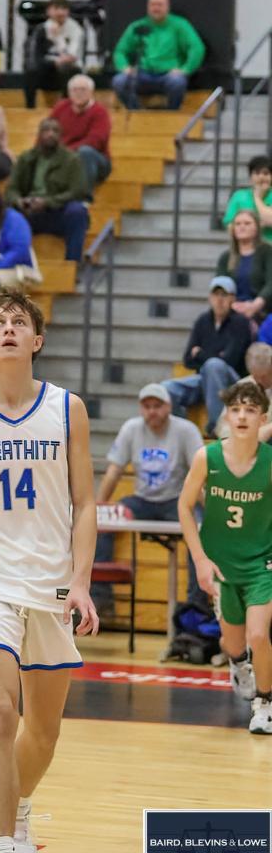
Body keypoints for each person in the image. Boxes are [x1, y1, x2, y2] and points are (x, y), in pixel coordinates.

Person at [0, 288, 97, 853]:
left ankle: (17, 807)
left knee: (43, 732)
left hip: (50, 582)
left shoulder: (67, 408)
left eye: (20, 321)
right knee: (0, 711)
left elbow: (85, 501)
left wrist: (81, 579)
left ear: (37, 340)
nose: (10, 328)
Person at [179, 379, 272, 735]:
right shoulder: (208, 457)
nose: (243, 416)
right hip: (220, 563)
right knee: (233, 642)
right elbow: (185, 506)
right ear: (226, 417)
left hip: (261, 563)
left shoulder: (269, 462)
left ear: (263, 418)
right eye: (236, 410)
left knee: (258, 635)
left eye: (251, 410)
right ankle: (238, 662)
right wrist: (200, 560)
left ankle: (264, 704)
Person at [94, 383, 205, 611]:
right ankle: (100, 598)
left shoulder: (186, 430)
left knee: (200, 531)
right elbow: (114, 471)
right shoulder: (131, 428)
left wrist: (210, 510)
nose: (152, 411)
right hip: (141, 500)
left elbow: (200, 474)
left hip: (176, 500)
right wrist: (100, 507)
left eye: (157, 406)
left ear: (169, 407)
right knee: (101, 521)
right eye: (147, 406)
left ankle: (197, 604)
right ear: (140, 408)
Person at [161, 277, 253, 436]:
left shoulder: (241, 323)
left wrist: (200, 354)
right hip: (203, 378)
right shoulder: (202, 321)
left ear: (232, 298)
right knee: (166, 389)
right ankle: (184, 432)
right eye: (216, 294)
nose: (219, 300)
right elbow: (187, 360)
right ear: (210, 297)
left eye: (224, 295)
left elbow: (229, 361)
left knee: (214, 366)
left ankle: (218, 427)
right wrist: (211, 357)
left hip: (233, 383)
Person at [7, 118, 90, 262]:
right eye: (46, 130)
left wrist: (48, 202)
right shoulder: (26, 158)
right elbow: (11, 189)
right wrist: (19, 201)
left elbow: (78, 191)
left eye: (55, 131)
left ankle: (73, 264)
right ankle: (11, 261)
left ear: (60, 136)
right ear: (39, 134)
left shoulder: (71, 160)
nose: (50, 134)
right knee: (6, 211)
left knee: (78, 211)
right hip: (30, 212)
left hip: (58, 212)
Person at [111, 0, 206, 111]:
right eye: (152, 5)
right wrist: (124, 67)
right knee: (119, 81)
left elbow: (197, 48)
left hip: (168, 76)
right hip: (142, 74)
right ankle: (137, 112)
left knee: (177, 82)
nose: (156, 8)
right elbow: (120, 51)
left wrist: (185, 69)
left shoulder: (180, 25)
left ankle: (172, 115)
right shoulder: (138, 26)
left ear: (167, 7)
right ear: (148, 7)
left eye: (160, 5)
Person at [50, 74, 112, 193]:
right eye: (74, 90)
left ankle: (84, 197)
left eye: (83, 90)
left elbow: (95, 141)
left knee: (85, 152)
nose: (78, 93)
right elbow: (47, 132)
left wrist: (65, 153)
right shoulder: (61, 108)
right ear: (69, 92)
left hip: (96, 160)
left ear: (91, 92)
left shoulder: (100, 112)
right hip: (65, 157)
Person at [23, 0, 85, 109]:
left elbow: (71, 56)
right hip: (48, 68)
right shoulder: (41, 29)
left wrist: (58, 38)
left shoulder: (76, 29)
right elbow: (37, 57)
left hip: (68, 70)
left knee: (67, 69)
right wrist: (53, 62)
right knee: (31, 71)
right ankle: (29, 108)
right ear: (49, 11)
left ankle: (66, 108)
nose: (60, 12)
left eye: (64, 9)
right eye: (56, 8)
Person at [216, 210, 272, 321]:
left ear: (256, 228)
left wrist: (254, 306)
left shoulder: (267, 252)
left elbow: (271, 284)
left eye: (247, 223)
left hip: (262, 311)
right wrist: (232, 305)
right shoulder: (226, 257)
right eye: (238, 224)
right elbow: (219, 286)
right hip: (232, 311)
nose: (242, 227)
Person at [223, 156, 272, 244]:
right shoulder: (239, 196)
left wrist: (257, 197)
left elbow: (270, 220)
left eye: (266, 173)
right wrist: (259, 225)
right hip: (245, 246)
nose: (261, 177)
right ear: (250, 177)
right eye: (257, 173)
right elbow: (230, 225)